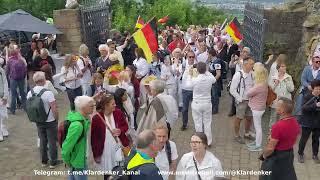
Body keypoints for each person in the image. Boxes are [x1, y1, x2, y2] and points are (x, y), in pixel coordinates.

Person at [91, 93, 130, 179]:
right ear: (106, 105)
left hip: (119, 149)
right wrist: (96, 154)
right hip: (105, 151)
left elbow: (125, 126)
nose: (115, 105)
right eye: (113, 104)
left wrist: (120, 130)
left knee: (121, 172)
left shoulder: (118, 113)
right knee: (108, 174)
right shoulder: (97, 118)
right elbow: (94, 138)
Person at [260, 97, 300, 180]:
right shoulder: (296, 122)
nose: (276, 106)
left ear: (282, 111)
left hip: (276, 157)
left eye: (278, 105)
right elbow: (293, 139)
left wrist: (263, 155)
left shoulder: (278, 126)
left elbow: (270, 148)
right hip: (289, 155)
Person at [27, 71, 59, 168]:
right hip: (50, 120)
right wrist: (56, 119)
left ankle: (44, 161)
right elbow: (54, 108)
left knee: (42, 140)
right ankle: (53, 162)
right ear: (43, 80)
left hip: (38, 120)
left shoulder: (30, 92)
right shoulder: (48, 93)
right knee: (52, 141)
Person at [62, 96, 95, 180]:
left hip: (77, 158)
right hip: (78, 161)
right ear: (83, 108)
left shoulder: (83, 118)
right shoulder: (78, 125)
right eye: (91, 106)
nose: (93, 107)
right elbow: (67, 146)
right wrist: (66, 160)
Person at [188, 62, 216, 146]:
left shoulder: (195, 79)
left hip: (197, 103)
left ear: (197, 70)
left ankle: (200, 141)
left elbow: (189, 85)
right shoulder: (209, 78)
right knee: (207, 123)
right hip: (207, 102)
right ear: (206, 69)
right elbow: (214, 80)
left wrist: (190, 75)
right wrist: (207, 71)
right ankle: (208, 141)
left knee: (198, 123)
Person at [229, 57, 255, 144]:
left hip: (250, 101)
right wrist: (239, 99)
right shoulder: (238, 75)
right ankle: (237, 135)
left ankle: (246, 134)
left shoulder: (252, 74)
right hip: (242, 101)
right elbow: (232, 89)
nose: (253, 65)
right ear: (245, 64)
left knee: (249, 118)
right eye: (251, 64)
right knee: (239, 118)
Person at [246, 64, 268, 151]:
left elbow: (248, 93)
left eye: (255, 72)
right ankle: (256, 142)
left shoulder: (259, 86)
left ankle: (258, 145)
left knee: (258, 127)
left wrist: (251, 87)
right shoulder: (264, 83)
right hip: (260, 107)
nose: (253, 73)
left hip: (257, 109)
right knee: (257, 126)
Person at [298, 80, 320, 163]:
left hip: (317, 122)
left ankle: (315, 155)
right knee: (304, 138)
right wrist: (315, 105)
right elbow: (304, 108)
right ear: (313, 89)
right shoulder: (307, 96)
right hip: (307, 122)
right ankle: (300, 153)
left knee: (316, 139)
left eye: (319, 89)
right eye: (317, 89)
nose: (318, 91)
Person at [268, 60, 294, 128]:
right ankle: (271, 131)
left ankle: (281, 132)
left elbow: (291, 89)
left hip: (285, 102)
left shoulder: (288, 77)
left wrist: (287, 82)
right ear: (278, 68)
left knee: (283, 118)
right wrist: (275, 84)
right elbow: (270, 90)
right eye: (282, 66)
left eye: (285, 66)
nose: (284, 68)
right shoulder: (273, 77)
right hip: (275, 101)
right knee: (273, 117)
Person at [6, 45, 27, 114]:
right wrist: (23, 77)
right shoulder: (21, 59)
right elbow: (25, 70)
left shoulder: (9, 60)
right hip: (21, 78)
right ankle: (26, 108)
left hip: (13, 79)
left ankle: (13, 110)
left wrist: (7, 80)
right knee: (23, 93)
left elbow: (7, 71)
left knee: (13, 94)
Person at [180, 51, 196, 130]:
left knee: (195, 109)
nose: (191, 58)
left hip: (194, 90)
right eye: (190, 57)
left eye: (193, 57)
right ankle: (184, 124)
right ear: (187, 57)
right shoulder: (183, 65)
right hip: (185, 90)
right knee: (184, 109)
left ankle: (197, 125)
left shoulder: (196, 66)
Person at [208, 49, 222, 114]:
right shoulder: (213, 61)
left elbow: (218, 74)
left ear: (210, 54)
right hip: (212, 81)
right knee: (212, 95)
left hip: (215, 82)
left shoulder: (217, 62)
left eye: (208, 54)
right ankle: (213, 108)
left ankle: (215, 109)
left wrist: (212, 81)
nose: (207, 55)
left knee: (215, 96)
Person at [0, 63, 9, 141]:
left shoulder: (1, 70)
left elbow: (5, 83)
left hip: (1, 96)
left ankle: (3, 128)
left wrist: (6, 96)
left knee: (2, 115)